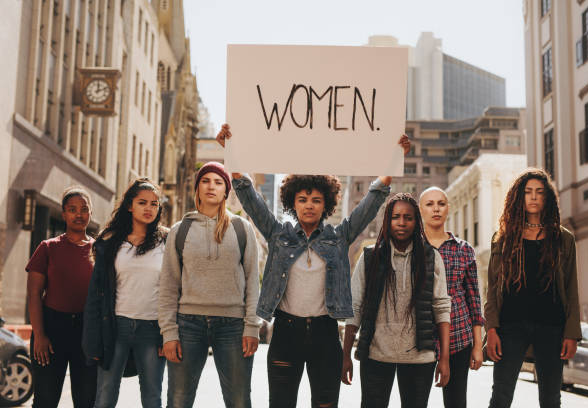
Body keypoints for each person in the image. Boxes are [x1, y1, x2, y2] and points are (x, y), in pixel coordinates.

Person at [216, 123, 411, 408]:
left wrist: (395, 158)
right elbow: (250, 198)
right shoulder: (278, 234)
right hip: (286, 332)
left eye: (316, 200)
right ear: (293, 202)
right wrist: (230, 154)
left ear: (326, 205)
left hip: (325, 334)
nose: (309, 205)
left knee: (325, 403)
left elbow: (370, 203)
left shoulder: (339, 237)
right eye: (302, 199)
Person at [158, 161, 260, 408]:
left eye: (218, 182)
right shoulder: (179, 231)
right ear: (197, 189)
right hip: (188, 324)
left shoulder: (242, 229)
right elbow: (168, 285)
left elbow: (252, 282)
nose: (211, 186)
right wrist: (169, 332)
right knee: (179, 401)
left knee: (238, 401)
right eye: (205, 181)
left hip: (233, 326)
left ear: (226, 191)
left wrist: (252, 326)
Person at [342, 193, 451, 408]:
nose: (402, 223)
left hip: (421, 359)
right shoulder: (369, 257)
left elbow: (441, 307)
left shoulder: (431, 257)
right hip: (376, 356)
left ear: (416, 221)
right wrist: (346, 355)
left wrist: (444, 358)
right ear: (387, 221)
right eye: (396, 217)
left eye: (408, 217)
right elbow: (355, 307)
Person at [484, 169, 581, 408]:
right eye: (528, 192)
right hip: (510, 325)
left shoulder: (563, 239)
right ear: (519, 197)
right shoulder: (504, 238)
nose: (534, 197)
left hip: (551, 326)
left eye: (539, 192)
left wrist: (571, 333)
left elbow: (571, 288)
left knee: (551, 399)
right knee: (500, 396)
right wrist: (492, 328)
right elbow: (493, 288)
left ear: (547, 197)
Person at [82, 179, 167, 408]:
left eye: (154, 204)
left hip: (152, 329)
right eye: (142, 203)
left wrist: (169, 334)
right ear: (130, 205)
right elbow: (95, 296)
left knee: (152, 397)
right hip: (115, 327)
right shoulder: (109, 243)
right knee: (105, 395)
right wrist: (92, 341)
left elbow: (173, 291)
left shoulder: (166, 241)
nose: (149, 208)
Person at [26, 187, 98, 408]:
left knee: (86, 400)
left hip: (87, 331)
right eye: (72, 209)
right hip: (51, 328)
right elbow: (34, 294)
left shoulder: (101, 250)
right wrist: (39, 335)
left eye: (84, 209)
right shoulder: (48, 248)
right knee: (45, 400)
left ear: (90, 213)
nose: (79, 214)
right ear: (64, 213)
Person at [419, 186, 485, 408]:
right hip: (420, 337)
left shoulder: (464, 250)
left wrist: (477, 345)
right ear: (421, 210)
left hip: (459, 336)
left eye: (441, 203)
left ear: (448, 208)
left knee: (456, 403)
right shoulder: (413, 248)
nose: (435, 209)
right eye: (429, 204)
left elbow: (474, 301)